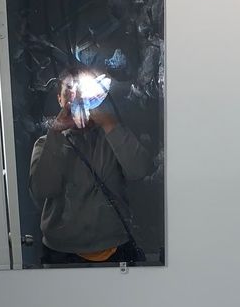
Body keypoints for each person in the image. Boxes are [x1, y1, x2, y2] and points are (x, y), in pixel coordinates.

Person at [29, 66, 152, 265]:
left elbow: (140, 170)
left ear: (98, 95)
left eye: (85, 90)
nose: (78, 97)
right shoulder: (46, 144)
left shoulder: (112, 137)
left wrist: (109, 124)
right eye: (69, 90)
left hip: (115, 247)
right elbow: (42, 190)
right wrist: (56, 133)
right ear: (59, 100)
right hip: (62, 252)